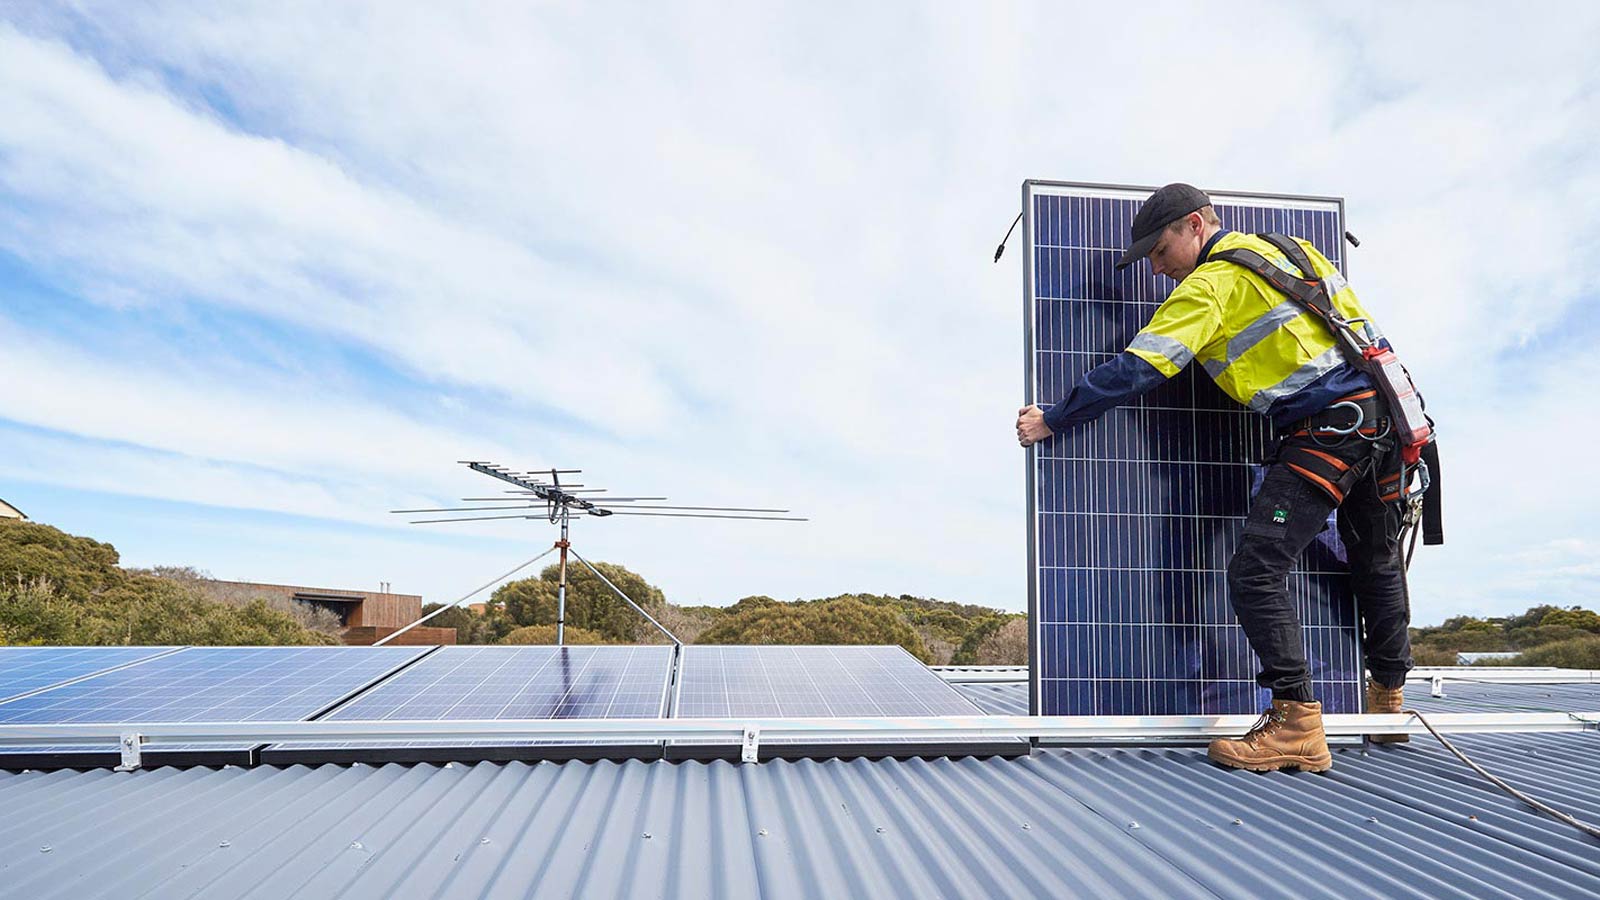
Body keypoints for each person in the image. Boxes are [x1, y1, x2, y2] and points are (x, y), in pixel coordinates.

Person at [1015, 182, 1415, 773]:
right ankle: (1387, 703)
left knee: (1255, 569)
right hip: (1391, 419)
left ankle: (1296, 723)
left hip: (1327, 427)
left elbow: (1139, 368)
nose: (1156, 268)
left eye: (1159, 249)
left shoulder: (1210, 283)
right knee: (1374, 561)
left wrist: (1054, 418)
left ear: (1198, 225)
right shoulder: (1294, 249)